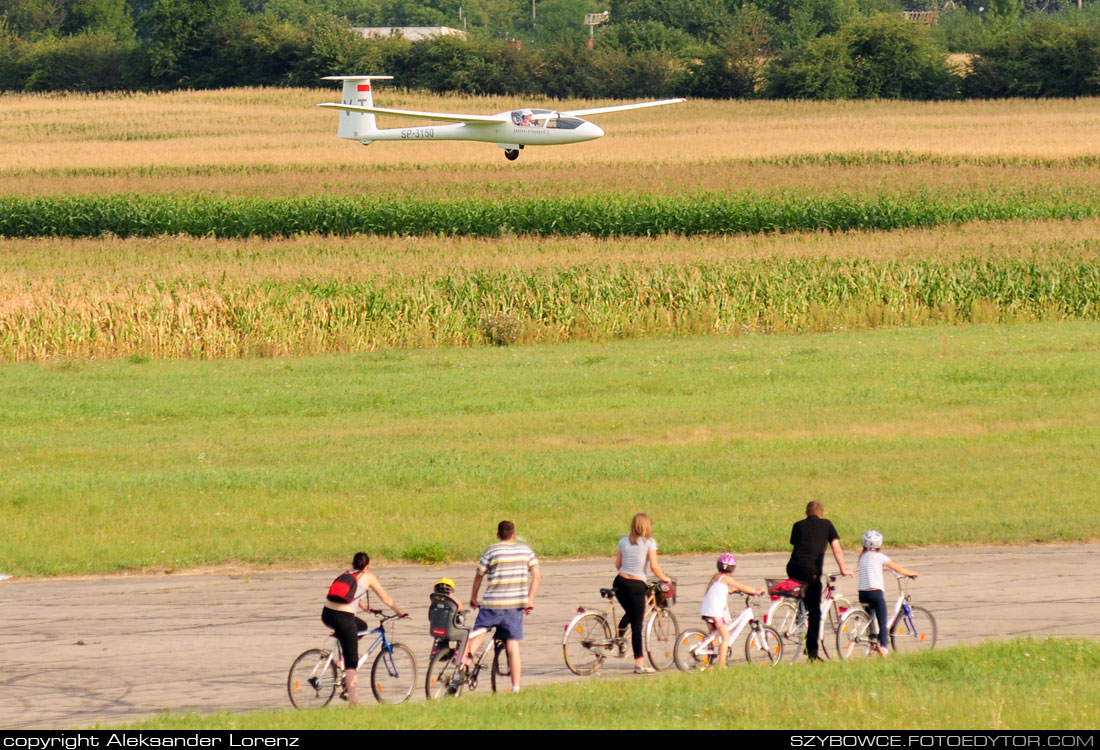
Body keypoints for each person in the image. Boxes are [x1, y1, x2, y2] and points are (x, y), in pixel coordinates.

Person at [320, 551, 407, 705]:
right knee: (352, 662)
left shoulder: (346, 574)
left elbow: (348, 594)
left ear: (353, 564)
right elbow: (386, 598)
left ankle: (339, 656)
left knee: (361, 626)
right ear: (367, 566)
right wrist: (399, 612)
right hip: (343, 618)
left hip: (327, 614)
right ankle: (354, 703)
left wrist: (364, 606)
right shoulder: (369, 576)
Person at [467, 520, 541, 693]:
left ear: (498, 535)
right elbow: (537, 577)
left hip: (492, 605)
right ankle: (515, 689)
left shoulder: (492, 550)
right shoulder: (526, 551)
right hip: (514, 607)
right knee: (512, 645)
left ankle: (461, 670)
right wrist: (529, 600)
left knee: (477, 636)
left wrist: (473, 597)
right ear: (514, 535)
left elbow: (479, 575)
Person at [786, 501, 852, 661]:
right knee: (815, 612)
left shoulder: (798, 525)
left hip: (793, 568)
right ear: (822, 513)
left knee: (804, 596)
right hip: (811, 571)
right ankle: (812, 653)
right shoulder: (827, 524)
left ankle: (800, 618)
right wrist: (843, 569)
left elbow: (798, 546)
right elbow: (836, 548)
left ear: (806, 512)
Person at [614, 512, 673, 674]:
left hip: (619, 582)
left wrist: (628, 572)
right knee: (637, 625)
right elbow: (654, 566)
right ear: (647, 526)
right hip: (635, 585)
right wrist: (664, 578)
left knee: (631, 612)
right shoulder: (650, 543)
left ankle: (619, 638)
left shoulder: (623, 541)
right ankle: (639, 663)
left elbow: (617, 564)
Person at [858, 530, 918, 658]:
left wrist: (885, 568)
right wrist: (910, 573)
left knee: (870, 618)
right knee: (882, 619)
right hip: (875, 594)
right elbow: (898, 568)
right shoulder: (881, 557)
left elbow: (873, 567)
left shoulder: (862, 557)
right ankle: (884, 647)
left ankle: (872, 641)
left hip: (862, 594)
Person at [700, 553, 765, 668]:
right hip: (715, 613)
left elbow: (713, 591)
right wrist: (756, 591)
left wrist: (729, 590)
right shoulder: (727, 579)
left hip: (706, 610)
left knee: (713, 636)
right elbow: (741, 587)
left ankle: (709, 663)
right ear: (732, 568)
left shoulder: (715, 578)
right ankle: (721, 665)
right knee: (725, 637)